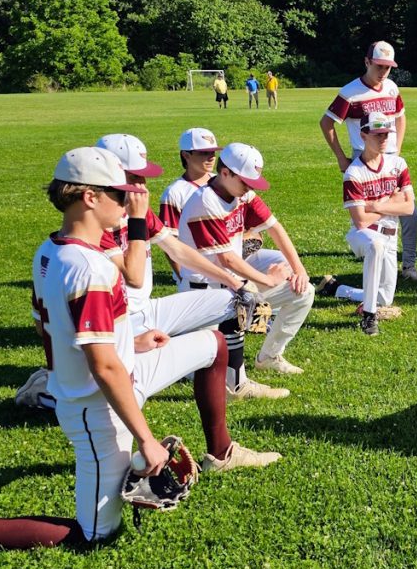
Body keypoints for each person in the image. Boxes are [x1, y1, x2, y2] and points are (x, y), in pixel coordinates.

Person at [0, 147, 279, 550]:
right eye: (120, 193)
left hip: (118, 373)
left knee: (214, 345)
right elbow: (104, 368)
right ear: (89, 198)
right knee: (94, 534)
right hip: (98, 406)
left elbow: (64, 329)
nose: (130, 199)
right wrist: (145, 437)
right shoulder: (88, 266)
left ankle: (222, 453)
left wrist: (134, 340)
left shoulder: (51, 249)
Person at [96, 134, 288, 401]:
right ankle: (48, 385)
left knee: (233, 300)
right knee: (132, 384)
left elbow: (177, 249)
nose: (142, 184)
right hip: (119, 324)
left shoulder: (136, 212)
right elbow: (134, 278)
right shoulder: (97, 225)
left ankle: (236, 384)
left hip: (148, 310)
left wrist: (236, 283)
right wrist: (138, 219)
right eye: (135, 177)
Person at [178, 142, 315, 379]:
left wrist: (299, 269)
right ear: (225, 173)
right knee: (202, 371)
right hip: (204, 294)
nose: (249, 188)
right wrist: (268, 280)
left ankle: (269, 357)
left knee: (303, 291)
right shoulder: (205, 201)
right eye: (245, 181)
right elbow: (227, 259)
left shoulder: (242, 194)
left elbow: (275, 228)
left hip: (234, 287)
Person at [320, 41, 417, 283]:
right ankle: (377, 264)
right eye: (379, 66)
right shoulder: (350, 92)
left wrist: (396, 150)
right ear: (367, 62)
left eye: (388, 67)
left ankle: (408, 266)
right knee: (369, 215)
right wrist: (341, 157)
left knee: (410, 211)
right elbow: (326, 123)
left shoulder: (391, 88)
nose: (383, 72)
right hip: (364, 159)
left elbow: (401, 118)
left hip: (390, 159)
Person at [343, 112, 416, 335]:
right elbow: (361, 220)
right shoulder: (354, 173)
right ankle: (368, 315)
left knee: (386, 296)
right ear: (363, 135)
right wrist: (389, 201)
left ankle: (337, 288)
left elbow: (409, 208)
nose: (384, 139)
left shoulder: (398, 164)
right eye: (378, 135)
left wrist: (375, 205)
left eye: (386, 134)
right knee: (375, 245)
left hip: (390, 233)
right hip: (362, 235)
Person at [159, 128, 221, 279]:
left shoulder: (222, 183)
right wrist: (182, 277)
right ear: (186, 155)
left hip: (226, 264)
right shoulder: (174, 193)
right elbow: (169, 242)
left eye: (213, 152)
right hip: (196, 273)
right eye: (203, 153)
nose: (211, 157)